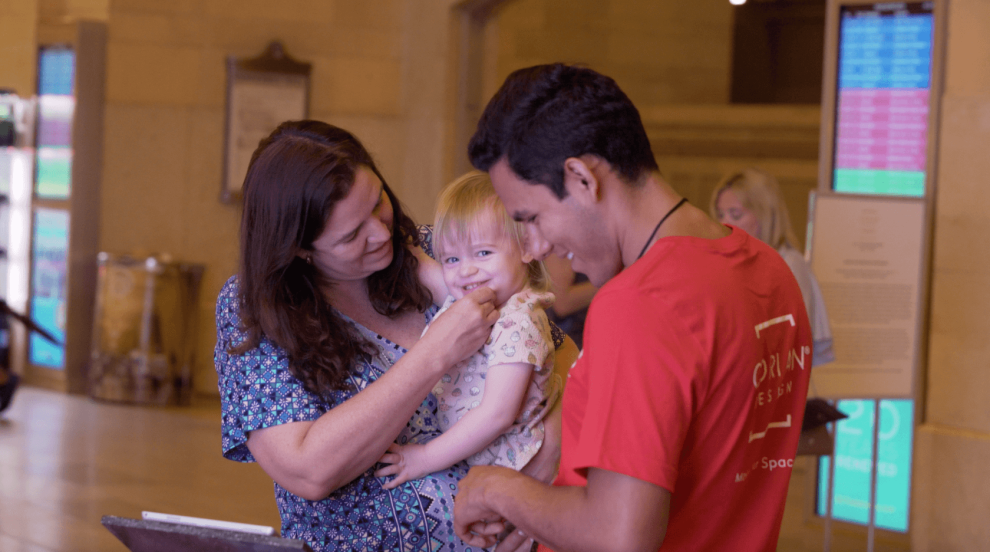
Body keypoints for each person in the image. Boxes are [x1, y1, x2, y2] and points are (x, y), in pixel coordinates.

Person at [451, 63, 813, 552]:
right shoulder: (769, 268)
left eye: (532, 217)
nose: (536, 246)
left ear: (582, 178)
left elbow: (618, 536)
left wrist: (495, 487)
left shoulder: (641, 303)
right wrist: (541, 509)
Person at [214, 120, 577, 552]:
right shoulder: (254, 307)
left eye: (377, 202)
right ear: (299, 248)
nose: (381, 232)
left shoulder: (441, 252)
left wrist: (542, 463)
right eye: (352, 235)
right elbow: (307, 471)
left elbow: (557, 352)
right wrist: (434, 354)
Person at [375, 170, 560, 487]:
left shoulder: (519, 320)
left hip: (516, 472)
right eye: (451, 259)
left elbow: (497, 414)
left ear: (527, 247)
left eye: (483, 253)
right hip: (481, 463)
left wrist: (424, 458)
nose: (466, 271)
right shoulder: (469, 304)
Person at [710, 168, 835, 366]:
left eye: (735, 214)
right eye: (720, 214)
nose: (724, 223)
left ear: (764, 215)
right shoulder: (727, 266)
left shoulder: (790, 264)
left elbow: (791, 343)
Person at [542, 255, 595, 349]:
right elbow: (562, 303)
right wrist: (613, 281)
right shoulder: (558, 249)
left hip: (587, 330)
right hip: (571, 338)